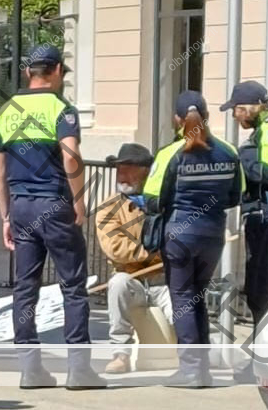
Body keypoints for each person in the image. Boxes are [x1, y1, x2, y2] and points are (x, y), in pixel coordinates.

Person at [0, 45, 106, 390]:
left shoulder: (6, 110)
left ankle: (30, 369)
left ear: (28, 72)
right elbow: (71, 157)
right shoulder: (62, 109)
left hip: (21, 207)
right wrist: (80, 201)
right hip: (55, 205)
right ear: (56, 70)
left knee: (25, 288)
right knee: (73, 285)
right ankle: (79, 369)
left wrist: (6, 216)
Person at [143, 91, 245, 388]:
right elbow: (235, 196)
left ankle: (190, 369)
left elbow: (153, 199)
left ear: (177, 119)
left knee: (184, 299)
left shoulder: (170, 154)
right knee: (197, 297)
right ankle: (201, 368)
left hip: (180, 235)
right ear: (207, 117)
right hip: (213, 234)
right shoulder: (228, 151)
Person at [220, 80, 268, 329]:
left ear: (251, 107)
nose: (234, 116)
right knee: (256, 284)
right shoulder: (262, 129)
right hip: (259, 212)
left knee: (262, 286)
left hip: (267, 214)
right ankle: (258, 342)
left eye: (237, 109)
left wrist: (242, 160)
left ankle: (261, 345)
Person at [96, 143, 173, 374]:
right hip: (132, 280)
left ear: (146, 172)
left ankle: (196, 355)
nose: (122, 175)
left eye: (129, 168)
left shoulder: (165, 202)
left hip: (164, 279)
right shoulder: (109, 206)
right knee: (117, 284)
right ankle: (121, 355)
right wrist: (153, 253)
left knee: (185, 299)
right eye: (119, 168)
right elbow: (115, 248)